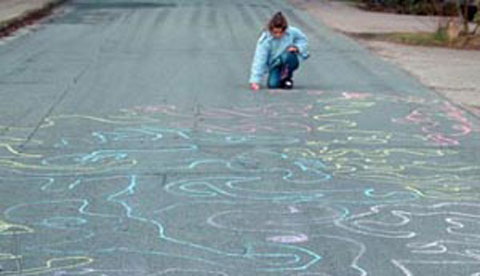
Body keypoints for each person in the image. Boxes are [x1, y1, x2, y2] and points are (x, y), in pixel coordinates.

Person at [249, 12, 310, 91]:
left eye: (281, 32)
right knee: (273, 85)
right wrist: (255, 81)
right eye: (275, 32)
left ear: (285, 29)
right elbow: (259, 59)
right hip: (275, 63)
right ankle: (281, 78)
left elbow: (303, 40)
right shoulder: (265, 40)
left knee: (286, 56)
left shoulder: (292, 32)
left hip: (290, 58)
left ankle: (287, 77)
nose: (278, 35)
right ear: (271, 30)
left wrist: (297, 47)